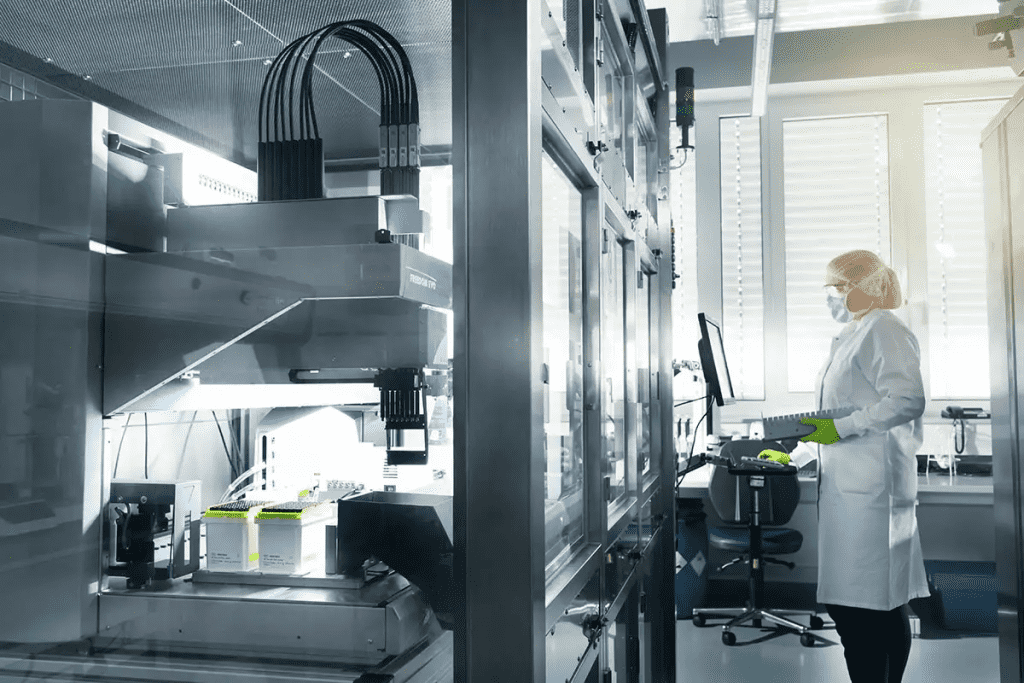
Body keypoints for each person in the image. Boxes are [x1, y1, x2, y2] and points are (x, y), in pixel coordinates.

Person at [797, 249, 930, 683]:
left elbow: (907, 400)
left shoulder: (884, 328)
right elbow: (846, 410)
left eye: (836, 287)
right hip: (853, 490)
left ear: (863, 287)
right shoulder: (855, 333)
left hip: (872, 494)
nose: (830, 296)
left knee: (865, 610)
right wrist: (800, 448)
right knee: (871, 607)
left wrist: (840, 428)